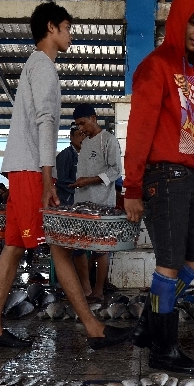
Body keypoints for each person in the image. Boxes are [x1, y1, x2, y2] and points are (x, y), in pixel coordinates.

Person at [0, 2, 129, 349]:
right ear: (52, 27)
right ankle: (93, 328)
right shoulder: (44, 67)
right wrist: (47, 177)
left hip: (20, 168)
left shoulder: (33, 66)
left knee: (14, 247)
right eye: (67, 28)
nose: (71, 34)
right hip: (31, 170)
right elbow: (46, 124)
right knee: (59, 247)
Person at [124, 0, 194, 373]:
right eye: (193, 22)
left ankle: (150, 323)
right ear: (178, 22)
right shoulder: (155, 65)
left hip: (187, 180)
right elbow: (139, 130)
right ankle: (162, 350)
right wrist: (132, 188)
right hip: (161, 177)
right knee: (168, 264)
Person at [71, 103, 123, 302]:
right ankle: (85, 288)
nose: (81, 129)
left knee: (101, 248)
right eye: (78, 125)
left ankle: (99, 290)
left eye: (83, 123)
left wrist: (89, 180)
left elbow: (115, 170)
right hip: (81, 202)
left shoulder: (108, 140)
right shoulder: (84, 143)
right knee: (78, 247)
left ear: (93, 118)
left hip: (102, 203)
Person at [55, 124, 84, 206]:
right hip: (67, 201)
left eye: (84, 135)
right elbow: (61, 180)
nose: (82, 138)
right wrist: (81, 187)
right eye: (79, 135)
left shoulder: (85, 155)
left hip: (78, 200)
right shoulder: (66, 154)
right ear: (71, 136)